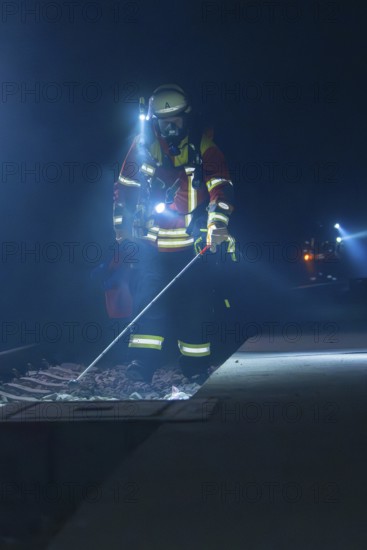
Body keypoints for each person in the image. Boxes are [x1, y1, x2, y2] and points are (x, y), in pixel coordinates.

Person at [112, 84, 236, 382]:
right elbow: (124, 191)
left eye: (176, 120)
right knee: (148, 304)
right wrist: (122, 232)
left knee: (195, 307)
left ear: (187, 118)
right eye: (164, 121)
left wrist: (217, 224)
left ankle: (194, 368)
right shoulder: (141, 147)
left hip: (193, 244)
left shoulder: (206, 148)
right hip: (152, 245)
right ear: (154, 120)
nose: (170, 127)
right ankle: (141, 366)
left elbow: (221, 188)